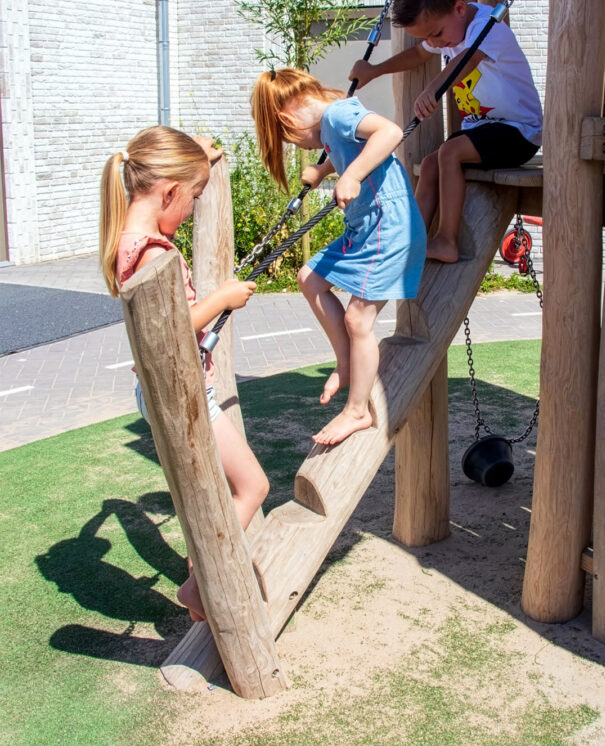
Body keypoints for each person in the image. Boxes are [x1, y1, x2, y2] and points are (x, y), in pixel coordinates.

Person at [99, 125, 269, 622]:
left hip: (166, 389)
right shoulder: (155, 253)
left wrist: (200, 158)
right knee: (252, 487)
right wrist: (222, 298)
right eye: (192, 197)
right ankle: (198, 588)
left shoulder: (129, 238)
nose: (194, 208)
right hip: (184, 395)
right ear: (169, 191)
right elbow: (172, 328)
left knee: (210, 495)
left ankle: (203, 581)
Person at [251, 68, 426, 446]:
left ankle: (358, 410)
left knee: (357, 319)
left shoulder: (337, 114)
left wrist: (352, 176)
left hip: (387, 226)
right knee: (309, 278)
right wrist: (324, 169)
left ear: (287, 117)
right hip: (364, 226)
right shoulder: (332, 124)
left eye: (289, 138)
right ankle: (347, 364)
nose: (301, 145)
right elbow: (349, 148)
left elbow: (389, 132)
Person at [349, 0, 542, 264]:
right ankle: (411, 238)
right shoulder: (449, 28)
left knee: (449, 153)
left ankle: (446, 240)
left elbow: (466, 60)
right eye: (430, 38)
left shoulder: (486, 27)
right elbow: (418, 54)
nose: (437, 43)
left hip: (519, 132)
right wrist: (375, 71)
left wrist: (432, 89)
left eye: (437, 34)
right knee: (430, 164)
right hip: (484, 130)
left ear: (460, 8)